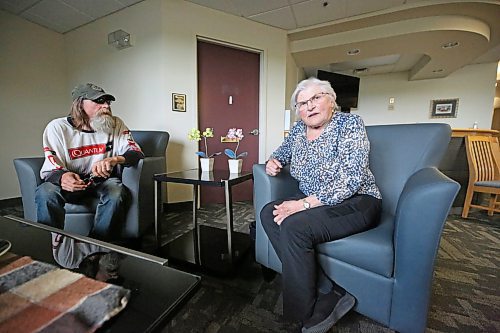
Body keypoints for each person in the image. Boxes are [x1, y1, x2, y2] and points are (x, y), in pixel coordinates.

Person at [261, 77, 382, 333]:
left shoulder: (349, 124)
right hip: (317, 204)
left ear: (331, 100)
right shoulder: (297, 131)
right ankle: (330, 290)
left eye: (316, 98)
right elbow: (281, 153)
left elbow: (351, 179)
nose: (310, 106)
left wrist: (303, 205)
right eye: (303, 103)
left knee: (294, 227)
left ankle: (302, 315)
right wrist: (273, 162)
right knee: (268, 213)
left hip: (357, 201)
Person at [35, 83, 144, 241]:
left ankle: (99, 244)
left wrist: (115, 159)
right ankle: (46, 244)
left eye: (108, 102)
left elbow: (136, 152)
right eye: (99, 101)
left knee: (116, 191)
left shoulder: (116, 124)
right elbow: (53, 166)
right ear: (80, 104)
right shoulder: (57, 128)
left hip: (102, 181)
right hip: (70, 182)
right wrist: (63, 178)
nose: (106, 106)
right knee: (46, 192)